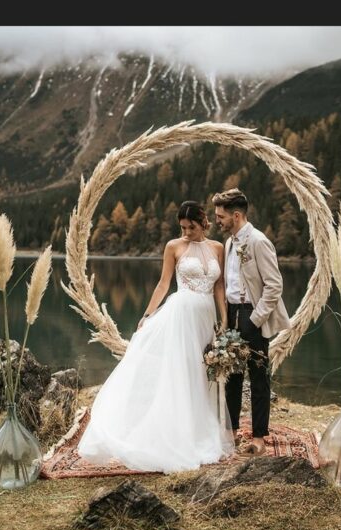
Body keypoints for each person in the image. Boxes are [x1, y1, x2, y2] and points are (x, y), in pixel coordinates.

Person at [77, 201, 236, 474]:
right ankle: (174, 433)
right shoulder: (174, 247)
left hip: (206, 317)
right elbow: (164, 283)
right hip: (182, 316)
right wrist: (148, 314)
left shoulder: (218, 248)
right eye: (182, 227)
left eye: (191, 227)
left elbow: (220, 285)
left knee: (202, 373)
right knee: (182, 371)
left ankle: (199, 428)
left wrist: (223, 319)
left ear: (204, 223)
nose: (186, 232)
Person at [212, 188, 290, 456]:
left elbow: (274, 285)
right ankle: (231, 433)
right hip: (232, 312)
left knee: (258, 377)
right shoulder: (229, 242)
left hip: (252, 315)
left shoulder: (258, 241)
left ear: (236, 215)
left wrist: (255, 319)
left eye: (221, 216)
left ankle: (258, 437)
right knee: (232, 376)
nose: (217, 221)